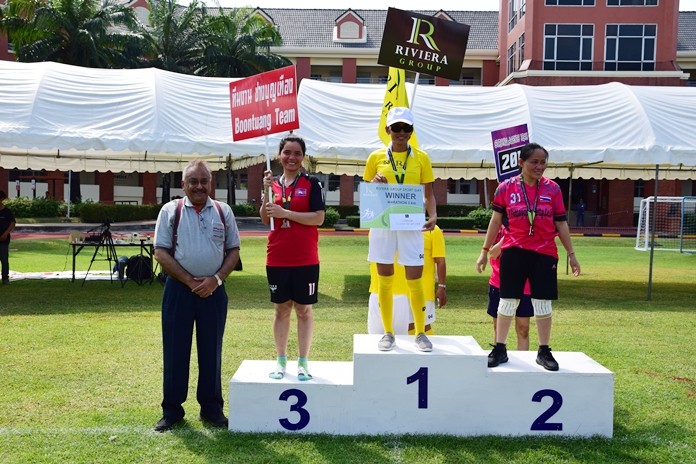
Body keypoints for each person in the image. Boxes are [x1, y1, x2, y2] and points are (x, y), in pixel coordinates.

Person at [152, 160, 241, 432]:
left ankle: (211, 409)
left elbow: (233, 250)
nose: (199, 186)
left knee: (211, 351)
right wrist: (189, 280)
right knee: (175, 351)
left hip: (214, 291)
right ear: (183, 184)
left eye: (204, 181)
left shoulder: (223, 211)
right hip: (179, 291)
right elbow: (160, 252)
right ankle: (172, 411)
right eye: (193, 181)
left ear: (211, 184)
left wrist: (216, 279)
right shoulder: (171, 210)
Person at [476, 143, 581, 371]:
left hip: (544, 253)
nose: (539, 166)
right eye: (534, 162)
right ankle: (500, 348)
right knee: (507, 301)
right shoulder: (505, 188)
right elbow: (495, 221)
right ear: (521, 163)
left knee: (542, 303)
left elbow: (561, 223)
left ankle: (543, 351)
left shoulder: (553, 189)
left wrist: (571, 254)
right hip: (514, 251)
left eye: (543, 162)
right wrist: (484, 251)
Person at [363, 106, 438, 352]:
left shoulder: (422, 158)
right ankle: (388, 332)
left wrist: (433, 215)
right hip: (383, 224)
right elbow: (367, 193)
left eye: (406, 128)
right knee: (385, 279)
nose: (401, 132)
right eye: (397, 128)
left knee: (414, 279)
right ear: (388, 129)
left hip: (410, 222)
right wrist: (374, 183)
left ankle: (420, 332)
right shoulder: (375, 158)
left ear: (412, 131)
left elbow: (428, 194)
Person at [260, 135, 325, 381]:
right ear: (279, 155)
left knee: (304, 310)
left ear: (303, 157)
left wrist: (286, 212)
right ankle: (281, 360)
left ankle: (303, 362)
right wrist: (266, 192)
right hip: (277, 257)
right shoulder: (272, 184)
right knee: (281, 310)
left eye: (297, 153)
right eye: (287, 152)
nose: (292, 157)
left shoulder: (311, 183)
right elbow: (266, 218)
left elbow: (318, 218)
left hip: (305, 258)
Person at [367, 225, 447, 336]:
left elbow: (440, 260)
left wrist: (441, 286)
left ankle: (424, 341)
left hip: (423, 290)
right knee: (406, 326)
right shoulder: (381, 228)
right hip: (398, 290)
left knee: (423, 325)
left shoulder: (433, 230)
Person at [486, 227, 532, 352]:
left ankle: (524, 360)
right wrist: (510, 235)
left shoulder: (529, 225)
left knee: (523, 329)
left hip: (525, 284)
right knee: (498, 328)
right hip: (499, 282)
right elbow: (493, 253)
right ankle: (498, 355)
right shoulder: (498, 225)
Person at [0, 190, 16, 285]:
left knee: (4, 259)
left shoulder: (7, 212)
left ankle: (5, 278)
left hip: (4, 239)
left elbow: (12, 223)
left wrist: (5, 234)